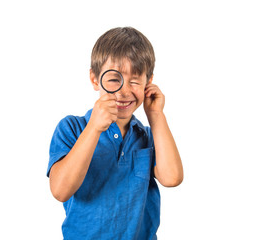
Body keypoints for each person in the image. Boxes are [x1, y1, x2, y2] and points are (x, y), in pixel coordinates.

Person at [47, 27, 183, 239]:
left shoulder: (149, 136)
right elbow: (60, 190)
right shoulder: (71, 128)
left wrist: (155, 115)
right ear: (94, 79)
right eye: (113, 79)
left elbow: (172, 178)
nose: (124, 91)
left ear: (148, 83)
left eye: (135, 80)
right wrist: (94, 127)